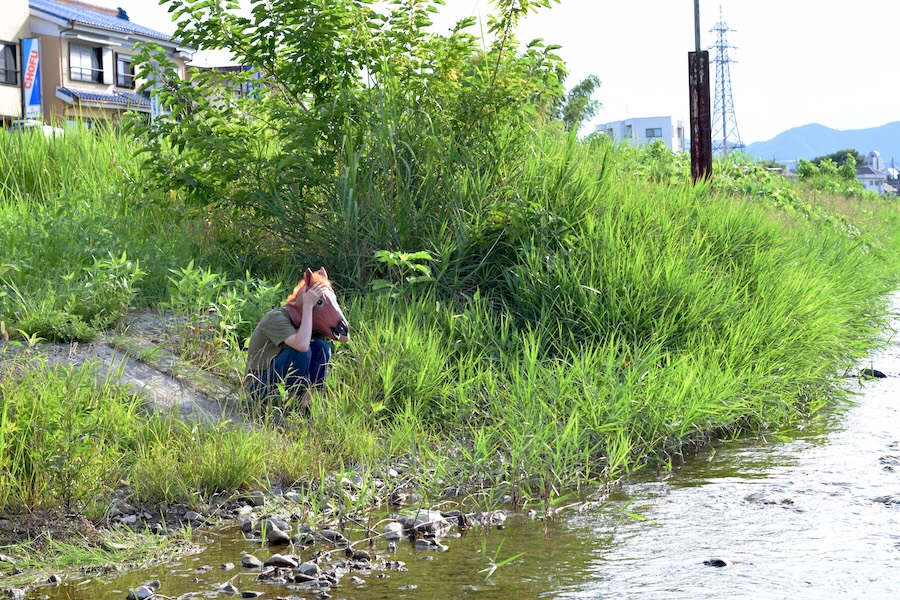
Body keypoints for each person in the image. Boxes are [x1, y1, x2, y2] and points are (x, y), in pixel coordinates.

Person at [244, 270, 349, 408]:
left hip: (280, 386)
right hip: (258, 388)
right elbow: (302, 346)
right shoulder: (276, 318)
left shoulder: (306, 323)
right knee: (301, 351)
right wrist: (308, 305)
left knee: (322, 348)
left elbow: (344, 338)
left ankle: (308, 401)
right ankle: (290, 402)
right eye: (316, 302)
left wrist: (332, 303)